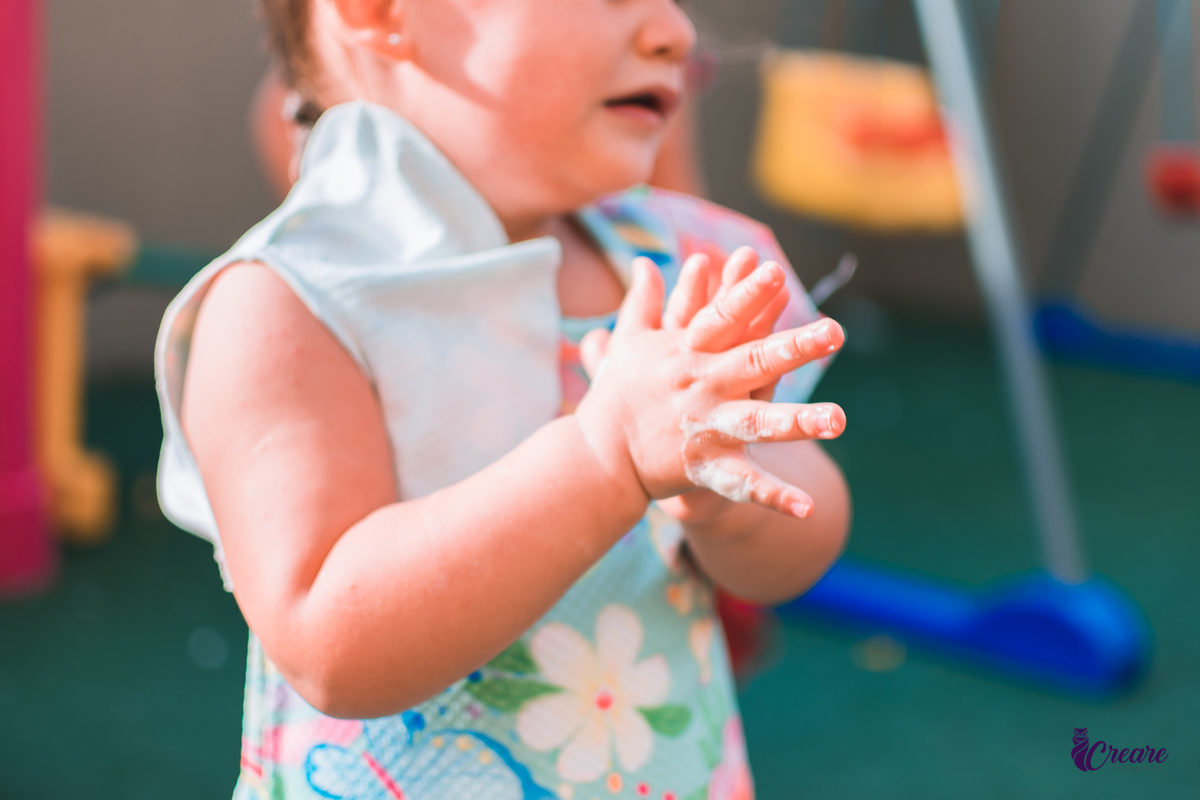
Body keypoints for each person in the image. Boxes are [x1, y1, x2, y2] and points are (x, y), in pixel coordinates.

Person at [156, 1, 851, 798]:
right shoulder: (293, 305)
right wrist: (604, 457)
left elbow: (801, 530)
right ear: (380, 12)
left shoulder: (672, 264)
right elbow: (327, 642)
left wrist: (727, 499)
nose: (675, 30)